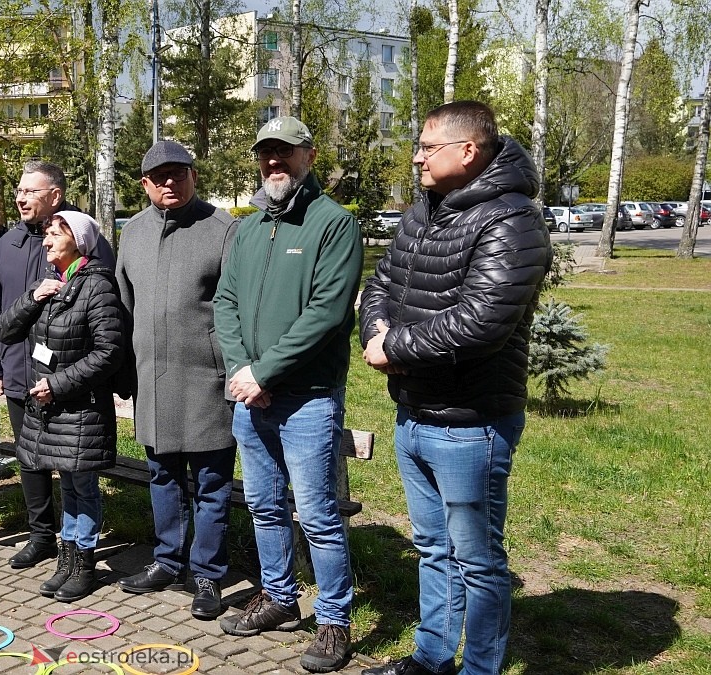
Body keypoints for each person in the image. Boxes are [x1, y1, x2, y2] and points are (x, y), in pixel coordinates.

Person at [358, 101, 551, 675]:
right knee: (433, 549)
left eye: (426, 146)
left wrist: (394, 348)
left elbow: (482, 320)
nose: (416, 156)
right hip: (414, 412)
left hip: (471, 421)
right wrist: (376, 331)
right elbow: (380, 285)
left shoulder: (511, 219)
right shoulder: (425, 211)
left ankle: (480, 668)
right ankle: (433, 657)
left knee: (478, 559)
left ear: (467, 152)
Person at [212, 116, 362, 673]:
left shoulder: (333, 224)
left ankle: (333, 621)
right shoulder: (249, 228)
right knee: (264, 506)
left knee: (319, 516)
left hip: (306, 397)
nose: (275, 162)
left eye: (286, 153)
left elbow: (327, 314)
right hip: (251, 397)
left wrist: (264, 373)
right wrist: (241, 370)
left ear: (310, 156)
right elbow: (225, 302)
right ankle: (278, 598)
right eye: (266, 154)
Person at [114, 140, 237, 620]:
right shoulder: (134, 232)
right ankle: (167, 561)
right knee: (163, 477)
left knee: (211, 484)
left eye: (178, 173)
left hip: (208, 379)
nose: (170, 182)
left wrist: (233, 371)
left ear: (194, 175)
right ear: (144, 184)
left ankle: (207, 574)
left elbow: (239, 308)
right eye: (159, 176)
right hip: (153, 381)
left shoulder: (222, 228)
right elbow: (124, 308)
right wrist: (126, 370)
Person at [0, 161, 115, 570]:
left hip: (72, 382)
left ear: (54, 196)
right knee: (30, 458)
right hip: (21, 376)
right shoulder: (8, 243)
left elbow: (108, 319)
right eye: (18, 191)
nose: (19, 198)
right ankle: (41, 536)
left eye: (29, 192)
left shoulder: (86, 238)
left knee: (74, 470)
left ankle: (77, 551)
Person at [0, 210, 126, 602]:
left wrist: (56, 383)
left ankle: (83, 563)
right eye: (46, 234)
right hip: (51, 408)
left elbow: (109, 351)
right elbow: (5, 330)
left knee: (82, 485)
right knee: (67, 482)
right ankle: (66, 559)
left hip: (79, 407)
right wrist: (32, 297)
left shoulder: (98, 287)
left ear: (79, 242)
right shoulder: (50, 285)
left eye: (56, 233)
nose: (47, 240)